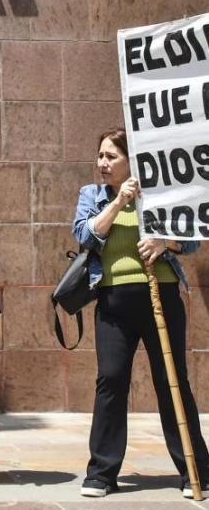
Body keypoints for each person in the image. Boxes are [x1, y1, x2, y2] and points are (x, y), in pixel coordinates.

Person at [73, 129, 209, 499]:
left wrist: (165, 242)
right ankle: (101, 473)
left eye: (111, 157)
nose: (103, 163)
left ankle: (194, 471)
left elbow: (193, 239)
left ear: (131, 160)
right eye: (100, 156)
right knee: (111, 381)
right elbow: (85, 236)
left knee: (172, 381)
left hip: (160, 298)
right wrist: (118, 203)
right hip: (113, 303)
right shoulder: (93, 195)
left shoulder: (161, 194)